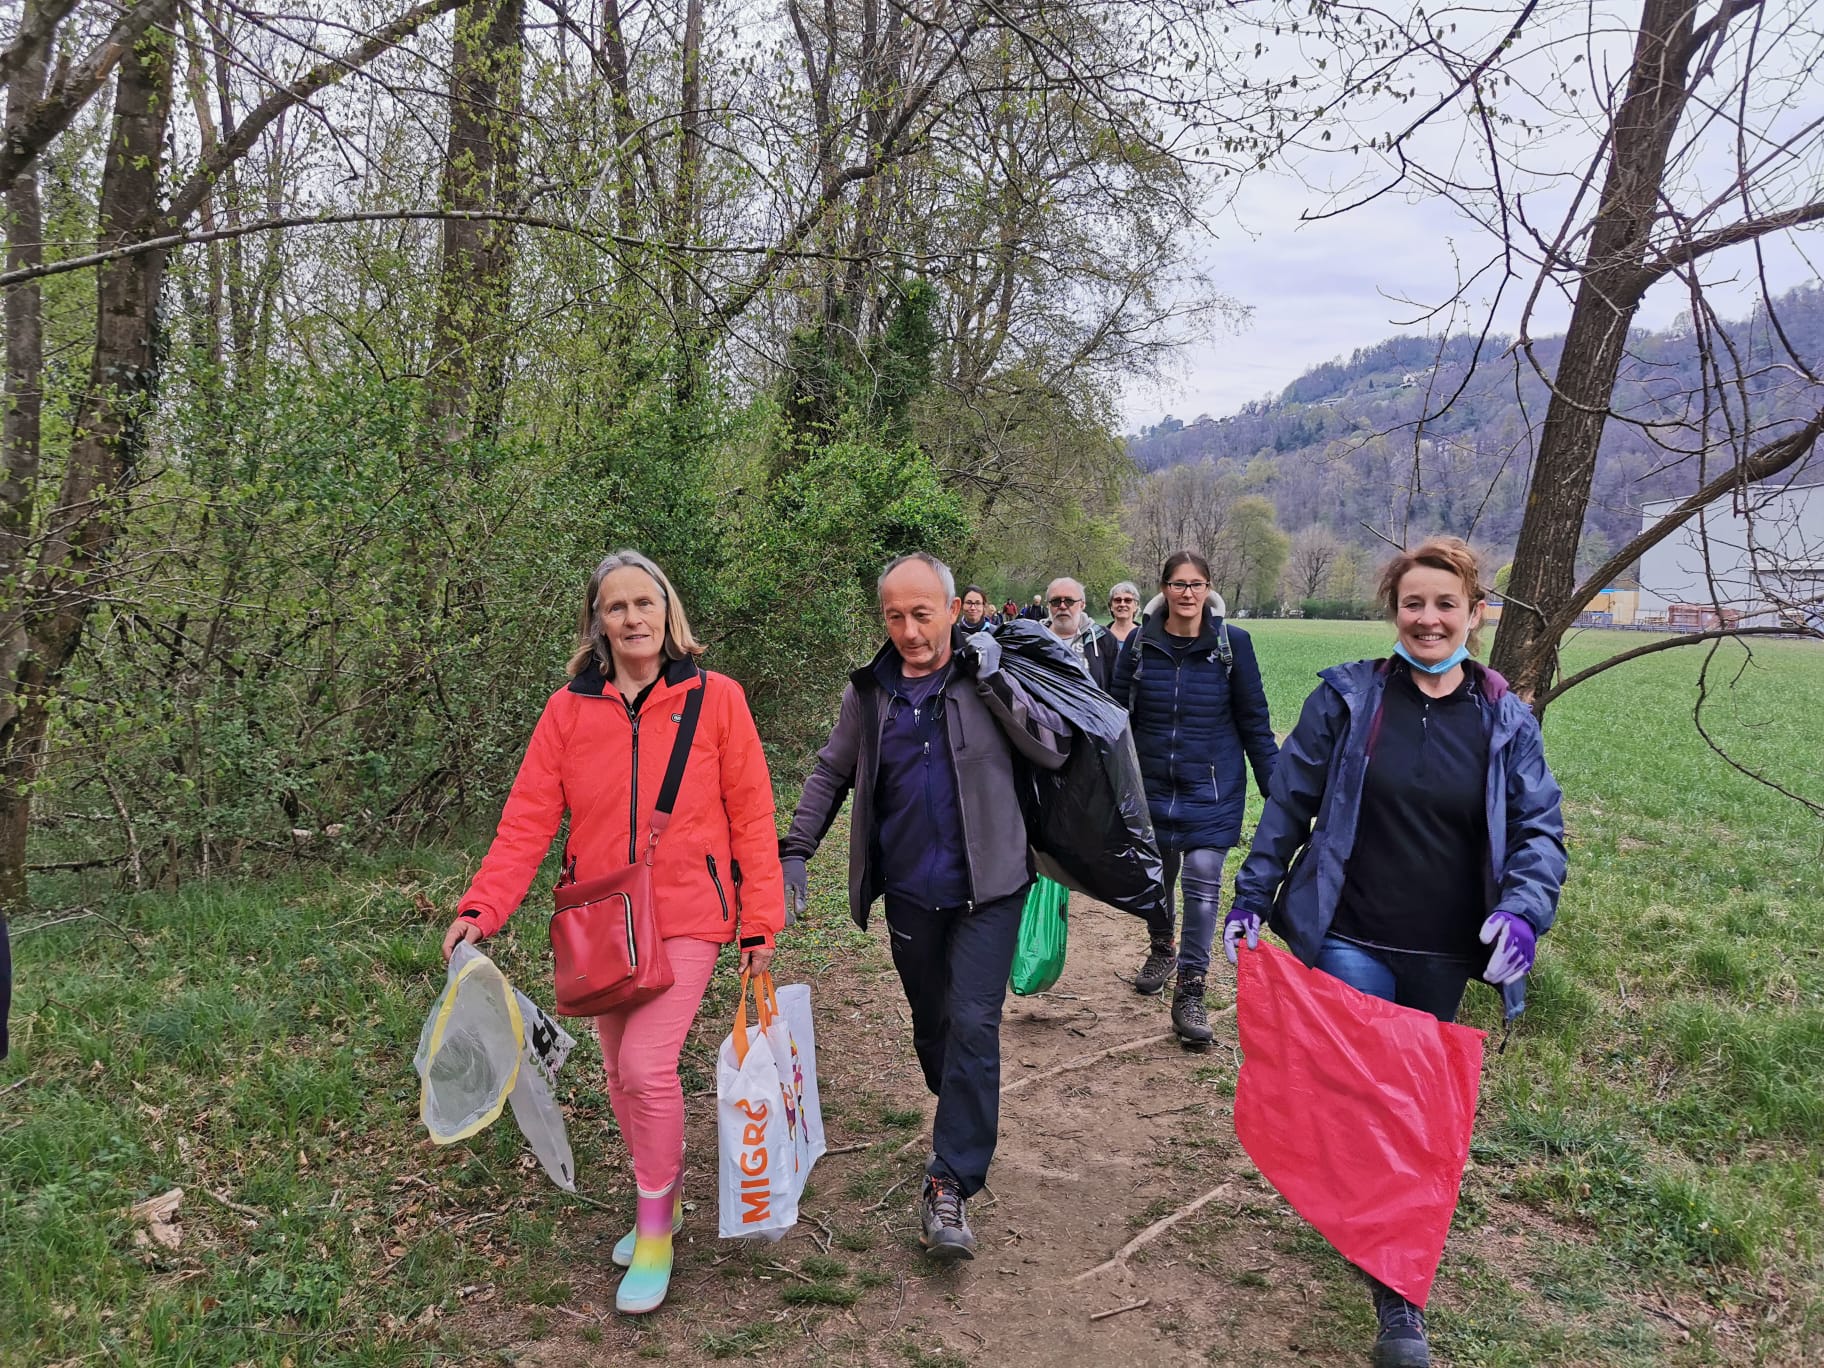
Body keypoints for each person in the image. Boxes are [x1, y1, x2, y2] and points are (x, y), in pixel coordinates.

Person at [1224, 535, 1566, 1368]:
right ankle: (1399, 1300)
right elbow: (1289, 805)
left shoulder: (1504, 718)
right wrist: (1252, 895)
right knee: (1374, 1107)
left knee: (1413, 1113)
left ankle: (1380, 1242)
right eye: (1414, 603)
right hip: (1351, 937)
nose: (1429, 618)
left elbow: (1539, 830)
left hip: (1445, 952)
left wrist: (1523, 913)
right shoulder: (1349, 700)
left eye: (1446, 604)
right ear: (1394, 611)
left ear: (1475, 615)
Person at [441, 549, 785, 1316]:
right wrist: (481, 909)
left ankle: (656, 1232)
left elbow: (753, 814)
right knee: (616, 1074)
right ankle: (665, 1195)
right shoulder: (568, 711)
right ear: (597, 621)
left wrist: (759, 919)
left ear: (667, 611)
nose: (632, 618)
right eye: (616, 606)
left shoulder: (716, 699)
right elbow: (527, 821)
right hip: (601, 920)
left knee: (646, 1066)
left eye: (644, 603)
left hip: (690, 912)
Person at [780, 553, 1068, 1261]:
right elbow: (832, 770)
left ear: (952, 609)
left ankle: (951, 1182)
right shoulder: (870, 693)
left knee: (972, 1024)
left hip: (991, 889)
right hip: (911, 892)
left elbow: (1052, 749)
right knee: (935, 1025)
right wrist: (796, 849)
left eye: (922, 614)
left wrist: (994, 679)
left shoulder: (989, 674)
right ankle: (960, 1098)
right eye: (895, 617)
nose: (909, 631)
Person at [1111, 551, 1278, 1045]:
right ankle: (1162, 946)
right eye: (1179, 584)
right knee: (1157, 879)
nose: (1188, 593)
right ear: (1164, 588)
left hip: (1213, 789)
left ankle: (1191, 988)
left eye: (1196, 584)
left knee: (1203, 882)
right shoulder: (1139, 644)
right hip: (1151, 788)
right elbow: (1114, 718)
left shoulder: (1233, 645)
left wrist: (1278, 790)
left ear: (1208, 589)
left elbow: (1255, 721)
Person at [1044, 576, 1120, 693]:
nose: (1062, 606)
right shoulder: (1033, 638)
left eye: (1069, 601)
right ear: (1048, 606)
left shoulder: (1103, 638)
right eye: (1056, 601)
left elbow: (1116, 684)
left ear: (1082, 605)